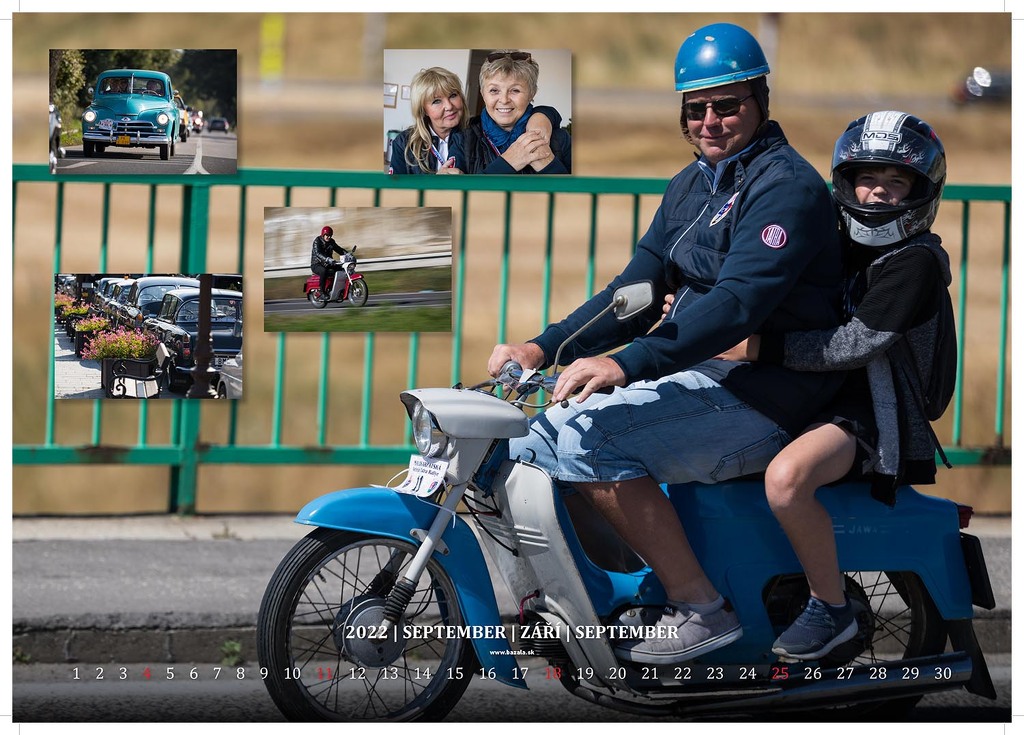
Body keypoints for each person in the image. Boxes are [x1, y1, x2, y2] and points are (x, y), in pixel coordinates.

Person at [487, 22, 845, 664]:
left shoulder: (785, 188)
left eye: (726, 105)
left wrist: (625, 364)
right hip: (707, 378)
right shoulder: (692, 184)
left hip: (770, 396)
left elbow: (736, 307)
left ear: (761, 102)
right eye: (695, 109)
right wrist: (543, 348)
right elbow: (636, 291)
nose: (709, 121)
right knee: (531, 439)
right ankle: (599, 600)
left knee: (592, 439)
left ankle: (701, 610)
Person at [707, 111, 952, 660]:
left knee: (787, 481)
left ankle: (830, 607)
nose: (879, 192)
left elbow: (856, 345)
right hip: (808, 396)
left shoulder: (915, 262)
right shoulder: (836, 243)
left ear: (921, 191)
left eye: (897, 181)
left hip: (872, 415)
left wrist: (758, 348)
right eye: (867, 177)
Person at [463, 50, 572, 174]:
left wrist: (549, 166)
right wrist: (507, 163)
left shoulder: (560, 139)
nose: (504, 100)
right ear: (483, 93)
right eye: (494, 90)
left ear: (532, 93)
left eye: (515, 90)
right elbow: (453, 187)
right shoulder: (462, 140)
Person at [389, 67, 469, 175]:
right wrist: (434, 183)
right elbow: (395, 185)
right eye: (437, 101)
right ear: (424, 110)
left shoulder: (476, 136)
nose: (449, 106)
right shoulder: (403, 143)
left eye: (453, 95)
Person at [309, 226, 349, 300]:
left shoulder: (331, 242)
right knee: (323, 271)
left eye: (330, 235)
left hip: (328, 263)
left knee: (341, 268)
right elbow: (317, 253)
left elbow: (339, 249)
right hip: (316, 264)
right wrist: (327, 259)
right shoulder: (317, 241)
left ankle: (337, 289)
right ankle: (322, 292)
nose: (329, 237)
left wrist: (347, 254)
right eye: (327, 235)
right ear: (323, 235)